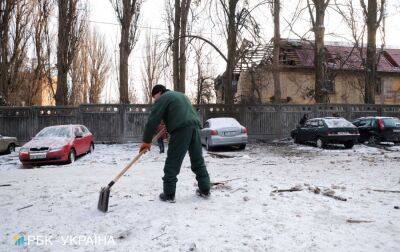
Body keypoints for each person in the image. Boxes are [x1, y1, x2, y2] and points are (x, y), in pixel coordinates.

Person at [139, 85, 211, 202]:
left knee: (173, 161)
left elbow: (153, 120)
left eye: (154, 97)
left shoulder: (163, 98)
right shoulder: (181, 95)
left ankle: (169, 194)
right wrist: (170, 123)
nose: (155, 100)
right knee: (198, 160)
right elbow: (182, 113)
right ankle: (205, 189)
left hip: (181, 130)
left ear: (159, 92)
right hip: (196, 127)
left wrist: (146, 141)